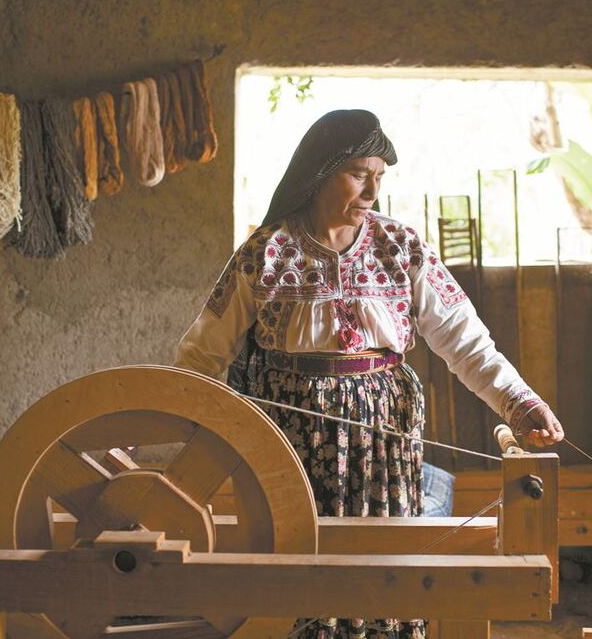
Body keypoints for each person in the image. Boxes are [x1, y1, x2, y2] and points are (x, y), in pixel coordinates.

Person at [175, 109, 563, 638]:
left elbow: (465, 341)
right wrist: (184, 448)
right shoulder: (265, 252)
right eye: (360, 174)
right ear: (319, 172)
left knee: (383, 566)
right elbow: (202, 354)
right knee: (294, 573)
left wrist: (520, 403)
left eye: (380, 177)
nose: (372, 192)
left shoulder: (399, 249)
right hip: (288, 443)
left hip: (382, 443)